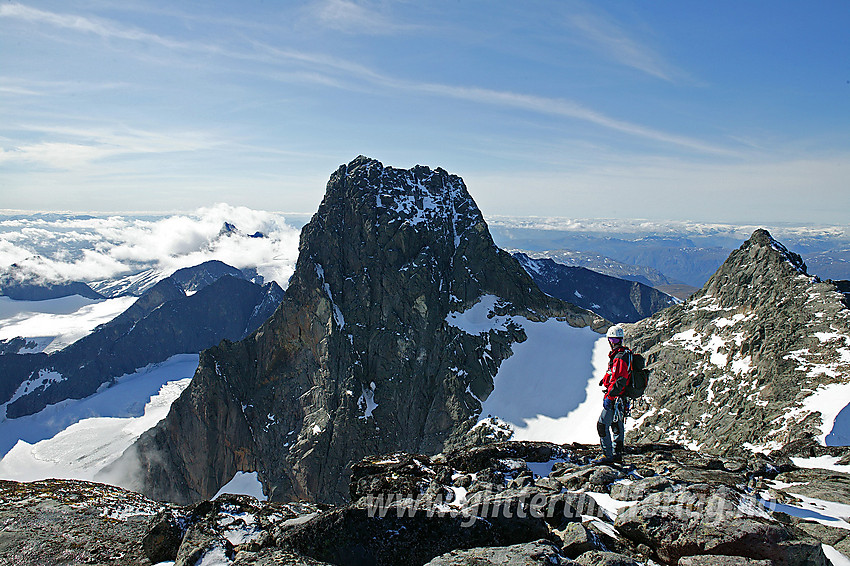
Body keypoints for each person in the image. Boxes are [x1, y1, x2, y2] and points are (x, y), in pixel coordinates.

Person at [596, 325, 632, 464]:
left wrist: (609, 397)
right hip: (621, 397)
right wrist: (605, 380)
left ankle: (607, 455)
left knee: (602, 425)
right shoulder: (624, 354)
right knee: (617, 424)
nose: (613, 342)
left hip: (615, 397)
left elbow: (620, 379)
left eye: (614, 339)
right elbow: (616, 375)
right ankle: (617, 453)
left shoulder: (619, 357)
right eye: (612, 339)